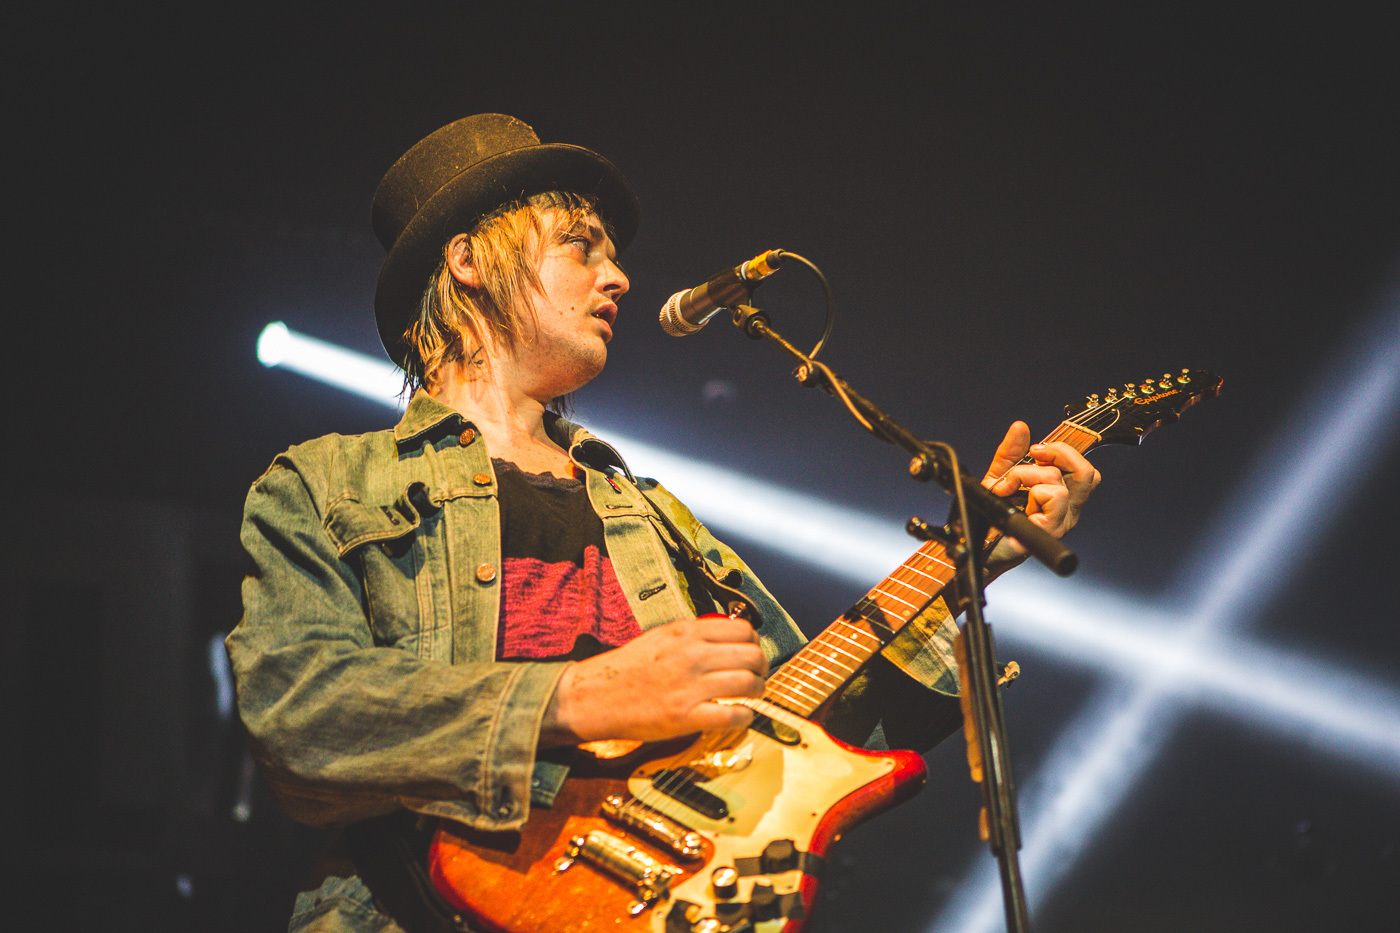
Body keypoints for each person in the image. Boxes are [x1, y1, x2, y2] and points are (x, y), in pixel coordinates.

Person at [226, 114, 1100, 933]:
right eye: (581, 246)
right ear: (468, 261)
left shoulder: (649, 510)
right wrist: (575, 698)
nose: (619, 277)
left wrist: (964, 569)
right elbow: (299, 715)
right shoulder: (325, 481)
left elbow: (805, 726)